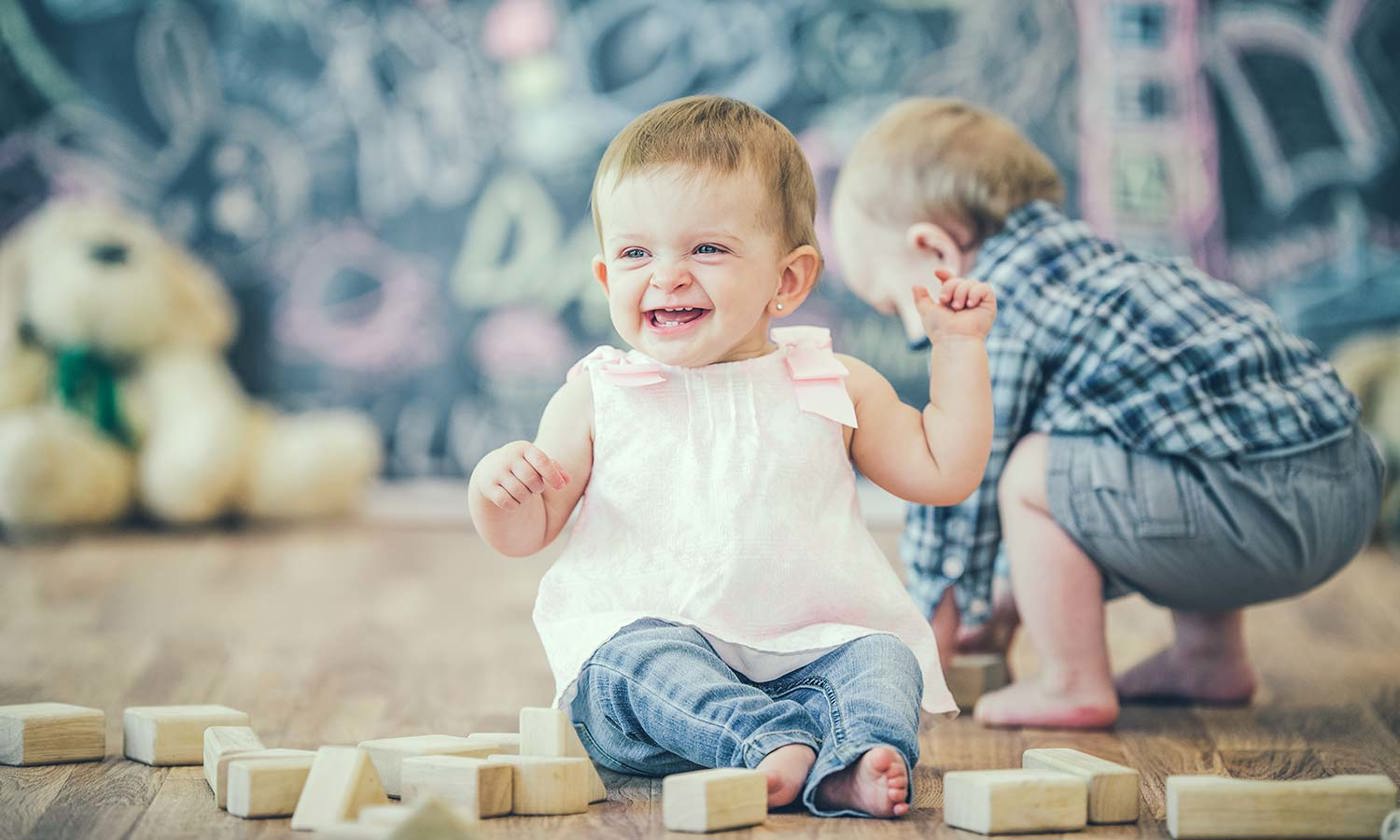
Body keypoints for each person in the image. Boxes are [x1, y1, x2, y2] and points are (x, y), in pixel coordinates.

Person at [468, 95, 997, 816]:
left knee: (883, 657)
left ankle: (855, 757)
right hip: (662, 687)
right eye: (635, 253)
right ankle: (767, 742)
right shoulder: (601, 394)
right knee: (629, 659)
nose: (667, 275)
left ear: (787, 280)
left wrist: (959, 349)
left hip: (812, 657)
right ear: (604, 280)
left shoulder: (830, 381)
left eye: (706, 249)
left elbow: (944, 470)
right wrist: (496, 491)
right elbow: (525, 531)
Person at [831, 97, 1385, 729]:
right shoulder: (1095, 265)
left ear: (935, 255)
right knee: (1169, 433)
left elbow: (962, 484)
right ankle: (1208, 658)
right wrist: (1005, 594)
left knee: (1033, 474)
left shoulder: (996, 306)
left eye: (890, 306)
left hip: (1261, 509)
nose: (909, 331)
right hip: (1352, 484)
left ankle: (1071, 682)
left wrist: (937, 618)